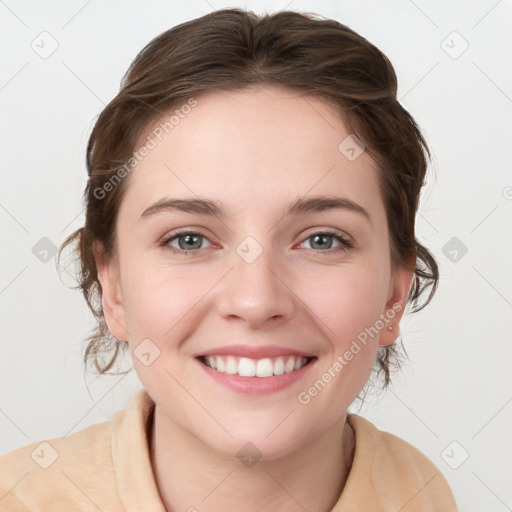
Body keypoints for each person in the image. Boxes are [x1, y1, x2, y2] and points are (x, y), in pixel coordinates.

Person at [0, 8, 459, 511]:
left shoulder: (426, 494)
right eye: (189, 240)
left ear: (395, 292)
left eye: (322, 240)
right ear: (113, 287)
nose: (255, 301)